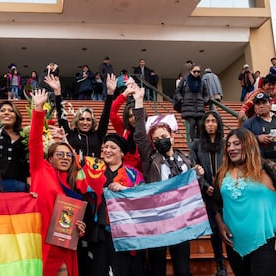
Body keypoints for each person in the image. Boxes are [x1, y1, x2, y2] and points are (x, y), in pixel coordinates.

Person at [133, 81, 205, 276]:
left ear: (172, 136)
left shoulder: (186, 159)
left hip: (182, 222)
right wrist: (139, 101)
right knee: (157, 269)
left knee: (183, 269)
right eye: (156, 140)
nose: (160, 141)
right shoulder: (150, 159)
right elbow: (140, 135)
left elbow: (194, 189)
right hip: (157, 222)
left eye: (163, 136)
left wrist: (198, 175)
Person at [29, 88, 87, 276]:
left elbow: (75, 218)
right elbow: (35, 141)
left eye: (68, 155)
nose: (64, 158)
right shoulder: (40, 169)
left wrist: (80, 227)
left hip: (64, 241)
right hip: (40, 237)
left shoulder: (74, 182)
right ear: (50, 157)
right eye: (59, 154)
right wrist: (38, 109)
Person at [213, 128, 276, 275]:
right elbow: (215, 204)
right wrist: (220, 225)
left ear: (248, 144)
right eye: (228, 145)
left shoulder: (267, 168)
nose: (231, 148)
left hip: (267, 242)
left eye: (236, 144)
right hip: (234, 244)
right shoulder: (222, 173)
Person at [81, 133, 146, 276]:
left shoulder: (133, 174)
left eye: (113, 147)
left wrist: (126, 190)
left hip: (124, 233)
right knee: (97, 270)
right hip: (99, 231)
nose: (107, 150)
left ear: (122, 153)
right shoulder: (93, 169)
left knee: (121, 270)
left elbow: (143, 197)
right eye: (105, 147)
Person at [189, 111, 227, 276]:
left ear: (218, 124)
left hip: (226, 192)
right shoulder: (196, 145)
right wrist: (204, 185)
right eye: (207, 121)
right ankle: (220, 263)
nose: (210, 124)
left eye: (213, 121)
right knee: (214, 228)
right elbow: (193, 167)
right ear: (203, 125)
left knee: (232, 225)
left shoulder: (225, 144)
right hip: (208, 194)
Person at [45, 74, 116, 158]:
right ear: (77, 121)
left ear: (92, 122)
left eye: (88, 119)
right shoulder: (70, 134)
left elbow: (105, 117)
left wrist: (110, 93)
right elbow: (62, 117)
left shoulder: (98, 135)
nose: (85, 122)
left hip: (94, 170)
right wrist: (57, 93)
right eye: (81, 119)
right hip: (74, 170)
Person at [109, 83, 142, 171]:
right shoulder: (124, 130)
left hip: (144, 174)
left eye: (135, 115)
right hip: (126, 173)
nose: (133, 119)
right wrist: (125, 94)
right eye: (130, 116)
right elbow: (112, 112)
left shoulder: (147, 129)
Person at [175, 64, 208, 141]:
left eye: (198, 71)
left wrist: (204, 101)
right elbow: (177, 92)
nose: (196, 73)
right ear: (190, 71)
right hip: (188, 106)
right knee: (192, 124)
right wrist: (181, 100)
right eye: (194, 71)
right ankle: (193, 142)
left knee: (200, 125)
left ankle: (199, 143)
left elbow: (206, 94)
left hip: (199, 106)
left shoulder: (202, 82)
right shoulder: (185, 80)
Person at [242, 93, 276, 162]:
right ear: (254, 107)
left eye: (264, 103)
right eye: (258, 104)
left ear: (270, 104)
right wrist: (257, 138)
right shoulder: (249, 123)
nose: (261, 106)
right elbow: (241, 139)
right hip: (259, 162)